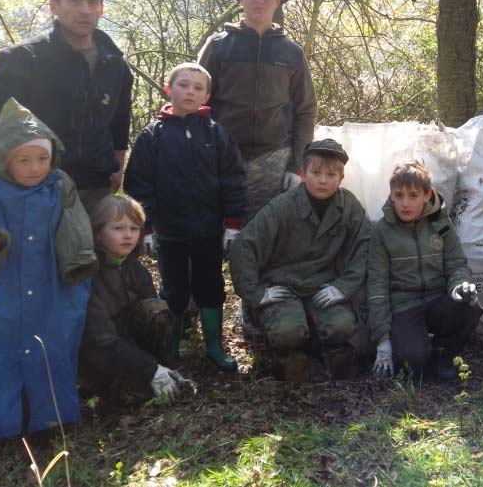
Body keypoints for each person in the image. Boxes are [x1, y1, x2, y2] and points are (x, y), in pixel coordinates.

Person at [0, 0, 133, 447]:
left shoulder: (114, 62)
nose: (84, 9)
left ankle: (63, 389)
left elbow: (120, 128)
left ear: (102, 7)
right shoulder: (22, 59)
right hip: (22, 193)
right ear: (54, 5)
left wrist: (117, 176)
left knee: (72, 292)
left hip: (85, 192)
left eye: (93, 2)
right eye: (75, 1)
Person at [0, 98, 95, 443]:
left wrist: (78, 262)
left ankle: (49, 419)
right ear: (5, 160)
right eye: (24, 160)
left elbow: (76, 227)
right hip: (0, 284)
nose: (34, 168)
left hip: (50, 282)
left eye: (42, 158)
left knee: (51, 346)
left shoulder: (59, 186)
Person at [123, 63, 248, 372]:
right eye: (183, 85)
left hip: (209, 229)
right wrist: (147, 228)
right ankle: (172, 346)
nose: (190, 92)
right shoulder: (153, 136)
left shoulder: (216, 134)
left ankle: (214, 347)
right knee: (174, 288)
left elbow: (233, 179)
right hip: (170, 232)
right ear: (169, 90)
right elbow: (138, 185)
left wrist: (232, 224)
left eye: (197, 87)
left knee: (211, 285)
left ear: (207, 95)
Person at [230, 139, 370, 382]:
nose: (323, 180)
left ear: (341, 178)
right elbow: (244, 246)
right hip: (283, 287)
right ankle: (287, 355)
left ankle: (323, 354)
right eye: (316, 173)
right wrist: (256, 293)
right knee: (288, 333)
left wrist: (343, 287)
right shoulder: (282, 206)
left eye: (330, 174)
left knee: (341, 327)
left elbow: (365, 246)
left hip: (322, 287)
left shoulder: (349, 206)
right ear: (303, 174)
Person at [198, 0, 317, 218]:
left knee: (263, 239)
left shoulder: (292, 53)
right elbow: (194, 103)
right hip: (222, 155)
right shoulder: (219, 46)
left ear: (278, 0)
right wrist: (198, 152)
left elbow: (305, 110)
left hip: (273, 159)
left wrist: (297, 166)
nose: (258, 1)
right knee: (214, 232)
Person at [368, 161, 482, 382]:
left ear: (427, 194)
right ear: (391, 196)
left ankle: (448, 356)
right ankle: (423, 351)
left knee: (469, 305)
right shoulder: (381, 232)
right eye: (398, 195)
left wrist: (460, 285)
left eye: (413, 195)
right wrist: (382, 341)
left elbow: (456, 262)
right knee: (413, 365)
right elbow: (377, 286)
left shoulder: (440, 222)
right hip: (404, 306)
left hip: (437, 299)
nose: (405, 203)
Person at [79, 195, 195, 402]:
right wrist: (149, 369)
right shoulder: (87, 275)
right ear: (97, 233)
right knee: (132, 394)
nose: (128, 235)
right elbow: (100, 343)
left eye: (134, 228)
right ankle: (128, 384)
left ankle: (160, 375)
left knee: (157, 309)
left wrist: (157, 368)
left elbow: (152, 320)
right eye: (118, 228)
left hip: (129, 350)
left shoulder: (135, 268)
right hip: (98, 359)